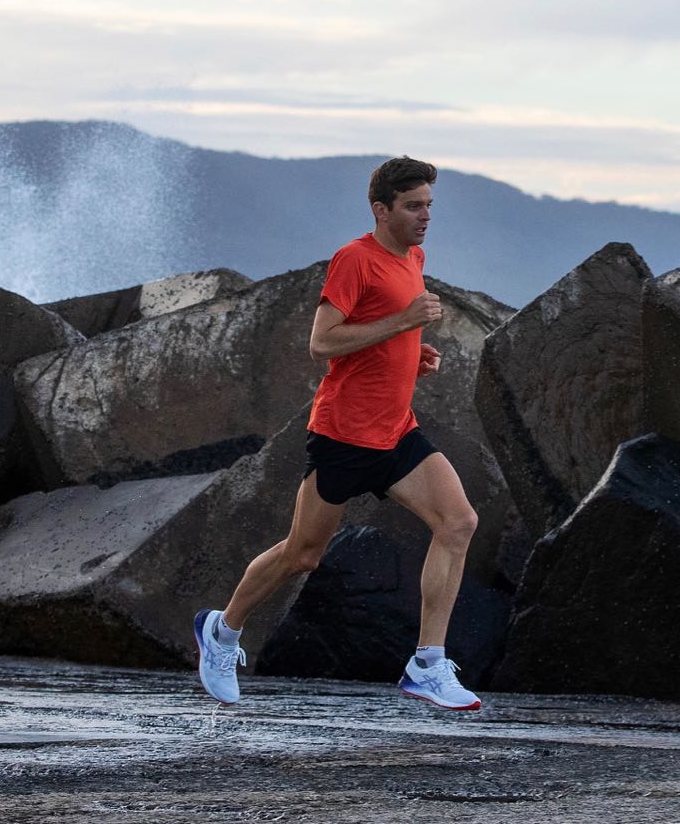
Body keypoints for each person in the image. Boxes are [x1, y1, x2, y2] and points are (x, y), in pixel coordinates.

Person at [192, 155, 483, 711]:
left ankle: (427, 664)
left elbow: (375, 332)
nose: (426, 217)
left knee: (459, 521)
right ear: (382, 209)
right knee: (302, 554)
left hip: (397, 432)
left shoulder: (414, 256)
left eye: (429, 206)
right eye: (413, 206)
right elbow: (322, 343)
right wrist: (403, 325)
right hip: (344, 435)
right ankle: (222, 632)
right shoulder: (354, 260)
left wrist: (409, 353)